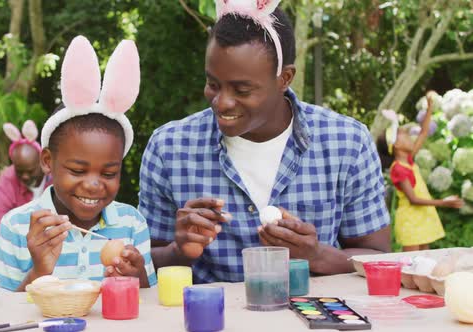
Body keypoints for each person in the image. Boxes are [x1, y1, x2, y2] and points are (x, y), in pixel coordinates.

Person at [139, 2, 391, 283]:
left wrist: (315, 255)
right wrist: (180, 251)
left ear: (285, 78)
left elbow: (378, 258)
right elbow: (142, 264)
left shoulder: (347, 143)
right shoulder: (168, 148)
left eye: (242, 90)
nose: (221, 103)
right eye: (213, 84)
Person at [0, 36, 156, 291]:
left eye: (109, 172)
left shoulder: (131, 223)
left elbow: (149, 303)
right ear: (47, 161)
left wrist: (139, 280)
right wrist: (40, 270)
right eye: (78, 170)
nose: (93, 184)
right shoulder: (17, 226)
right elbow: (5, 314)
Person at [377, 93, 464, 252]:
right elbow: (414, 199)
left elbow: (423, 133)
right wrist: (444, 202)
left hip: (423, 217)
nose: (411, 138)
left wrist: (430, 107)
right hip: (410, 221)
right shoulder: (399, 168)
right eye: (406, 136)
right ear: (396, 145)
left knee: (425, 261)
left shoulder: (408, 160)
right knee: (411, 264)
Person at [0, 120, 51, 258]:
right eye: (19, 171)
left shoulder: (56, 177)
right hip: (18, 244)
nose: (25, 177)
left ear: (42, 162)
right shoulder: (6, 181)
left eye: (30, 171)